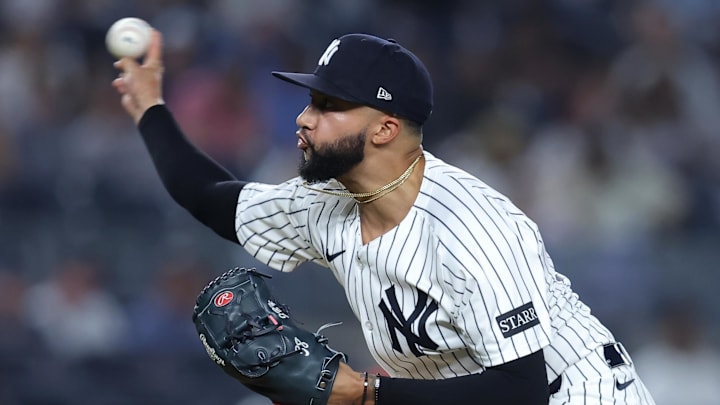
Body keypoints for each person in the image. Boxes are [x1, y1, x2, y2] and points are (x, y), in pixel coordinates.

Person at [112, 30, 656, 404]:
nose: (303, 119)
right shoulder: (325, 205)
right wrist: (149, 108)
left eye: (327, 106)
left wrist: (365, 392)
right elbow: (209, 195)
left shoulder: (474, 227)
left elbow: (519, 391)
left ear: (385, 129)